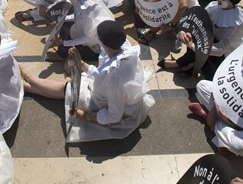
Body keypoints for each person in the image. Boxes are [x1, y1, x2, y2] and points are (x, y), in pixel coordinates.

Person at [23, 20, 154, 143]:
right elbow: (100, 73)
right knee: (70, 85)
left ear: (103, 43)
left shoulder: (115, 77)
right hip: (106, 91)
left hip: (104, 103)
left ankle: (29, 82)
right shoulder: (123, 49)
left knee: (68, 88)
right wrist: (81, 62)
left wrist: (87, 116)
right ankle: (28, 84)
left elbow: (114, 116)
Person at [159, 0, 243, 75]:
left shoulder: (236, 23)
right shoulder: (212, 6)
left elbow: (221, 50)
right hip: (211, 38)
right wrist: (188, 34)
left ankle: (182, 63)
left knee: (198, 43)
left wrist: (194, 46)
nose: (218, 0)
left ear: (232, 1)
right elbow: (199, 23)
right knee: (194, 35)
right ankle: (188, 61)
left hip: (227, 50)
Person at [49, 0, 115, 62]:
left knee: (63, 52)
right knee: (64, 24)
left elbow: (89, 38)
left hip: (96, 45)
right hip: (91, 32)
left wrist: (64, 43)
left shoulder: (83, 9)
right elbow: (77, 16)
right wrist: (60, 20)